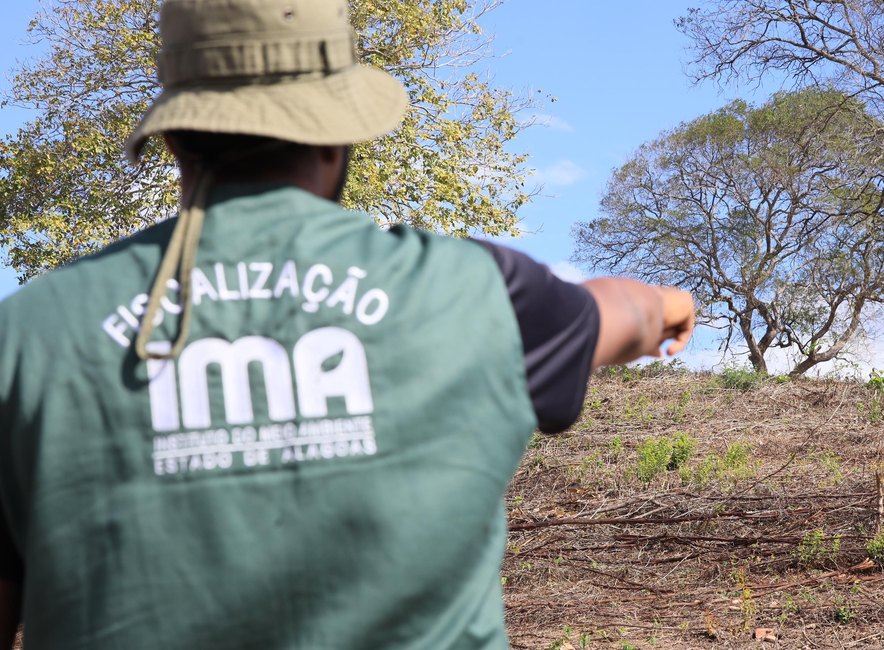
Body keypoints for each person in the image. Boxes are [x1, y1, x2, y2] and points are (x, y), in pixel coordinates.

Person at [0, 0, 695, 648]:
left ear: (175, 137)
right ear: (336, 135)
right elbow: (624, 315)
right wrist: (668, 304)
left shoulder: (25, 338)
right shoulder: (485, 295)